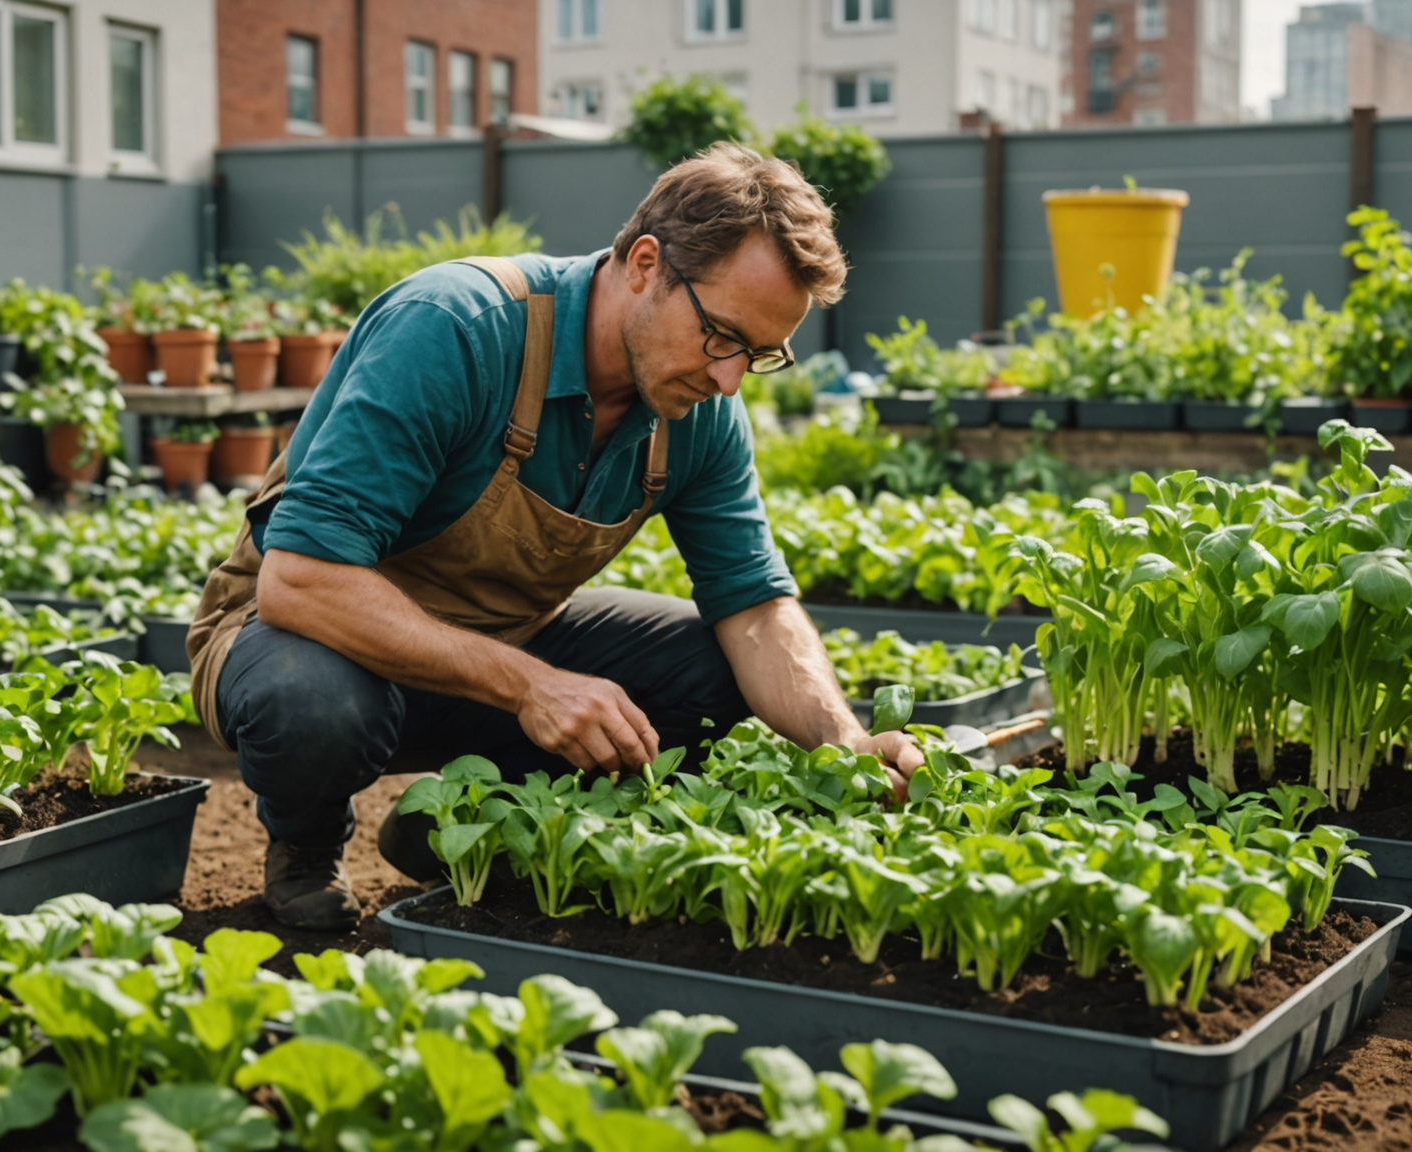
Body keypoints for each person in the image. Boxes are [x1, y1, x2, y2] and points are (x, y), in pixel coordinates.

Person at [187, 143, 924, 930]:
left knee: (712, 671)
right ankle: (304, 845)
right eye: (722, 336)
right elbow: (300, 581)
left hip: (496, 648)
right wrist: (530, 684)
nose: (730, 379)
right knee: (312, 698)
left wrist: (843, 740)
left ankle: (473, 824)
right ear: (646, 264)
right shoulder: (455, 329)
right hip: (299, 636)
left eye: (760, 354)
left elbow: (754, 606)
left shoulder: (702, 410)